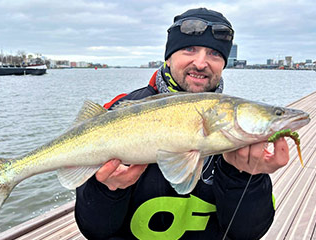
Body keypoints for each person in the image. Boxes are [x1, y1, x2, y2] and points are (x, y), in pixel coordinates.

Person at [75, 8, 289, 240]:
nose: (201, 62)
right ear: (168, 57)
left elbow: (247, 233)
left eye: (214, 54)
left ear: (224, 64)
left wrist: (245, 176)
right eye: (189, 49)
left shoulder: (235, 133)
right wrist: (106, 189)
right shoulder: (116, 111)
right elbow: (94, 230)